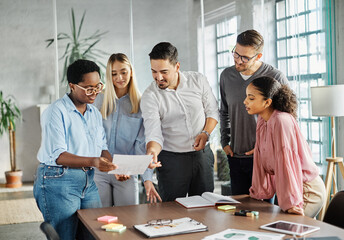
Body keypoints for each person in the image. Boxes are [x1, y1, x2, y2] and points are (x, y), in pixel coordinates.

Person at [33, 59, 117, 240]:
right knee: (66, 236)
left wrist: (113, 166)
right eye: (88, 88)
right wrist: (94, 162)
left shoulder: (94, 113)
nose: (94, 93)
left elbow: (102, 147)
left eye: (97, 86)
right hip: (58, 180)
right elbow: (59, 156)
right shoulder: (56, 111)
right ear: (72, 86)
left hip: (87, 181)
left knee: (96, 233)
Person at [141, 42, 219, 202]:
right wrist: (152, 152)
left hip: (201, 157)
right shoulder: (150, 96)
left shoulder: (198, 80)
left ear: (177, 66)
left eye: (164, 72)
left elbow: (212, 112)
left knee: (205, 207)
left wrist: (205, 133)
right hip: (171, 161)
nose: (158, 77)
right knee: (172, 212)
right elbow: (153, 132)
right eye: (154, 72)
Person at [219, 29, 288, 195]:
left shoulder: (275, 77)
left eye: (244, 57)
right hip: (235, 156)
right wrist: (224, 141)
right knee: (239, 212)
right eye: (236, 54)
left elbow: (288, 119)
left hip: (264, 159)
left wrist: (265, 147)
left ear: (258, 56)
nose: (238, 61)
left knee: (263, 213)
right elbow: (224, 111)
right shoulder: (227, 75)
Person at [245, 76, 326, 218]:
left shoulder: (281, 121)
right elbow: (259, 157)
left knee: (290, 232)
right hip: (292, 189)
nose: (245, 102)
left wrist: (292, 203)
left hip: (306, 191)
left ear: (267, 102)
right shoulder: (262, 120)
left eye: (251, 98)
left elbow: (286, 162)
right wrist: (258, 192)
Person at [93, 53, 159, 206]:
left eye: (123, 72)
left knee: (128, 219)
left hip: (127, 172)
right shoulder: (98, 100)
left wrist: (148, 180)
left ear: (131, 72)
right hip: (100, 171)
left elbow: (141, 144)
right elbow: (94, 137)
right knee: (101, 219)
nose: (119, 78)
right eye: (114, 74)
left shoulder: (141, 104)